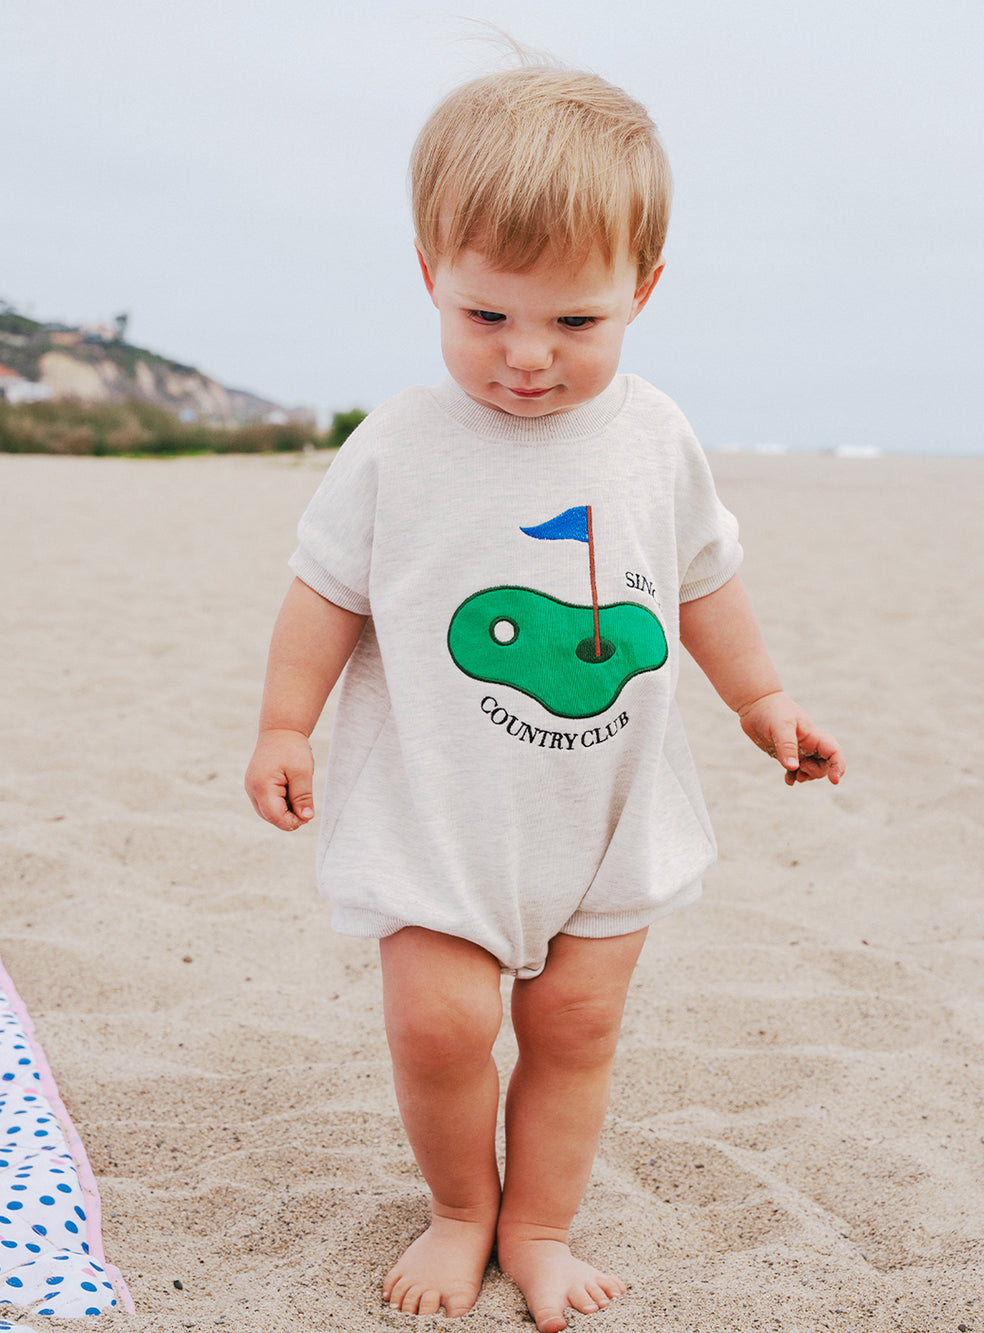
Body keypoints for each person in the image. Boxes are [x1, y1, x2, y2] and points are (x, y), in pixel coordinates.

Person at [244, 61, 845, 1333]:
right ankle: (462, 1206)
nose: (526, 358)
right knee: (440, 1024)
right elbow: (324, 591)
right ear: (429, 275)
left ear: (642, 290)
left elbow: (701, 581)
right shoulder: (398, 442)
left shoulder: (654, 435)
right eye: (486, 316)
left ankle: (541, 1225)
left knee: (575, 1024)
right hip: (438, 807)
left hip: (605, 811)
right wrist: (285, 723)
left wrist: (764, 702)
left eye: (574, 321)